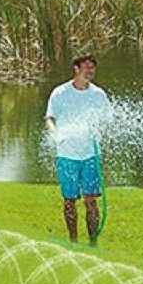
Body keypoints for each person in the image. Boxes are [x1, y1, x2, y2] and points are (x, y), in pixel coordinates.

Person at [45, 53, 110, 244]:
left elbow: (106, 120)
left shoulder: (98, 94)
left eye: (92, 67)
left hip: (90, 154)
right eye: (86, 66)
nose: (90, 71)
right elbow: (50, 118)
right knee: (69, 200)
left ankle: (93, 241)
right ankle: (73, 239)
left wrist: (100, 131)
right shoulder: (60, 93)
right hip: (67, 154)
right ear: (76, 69)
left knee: (91, 200)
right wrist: (55, 134)